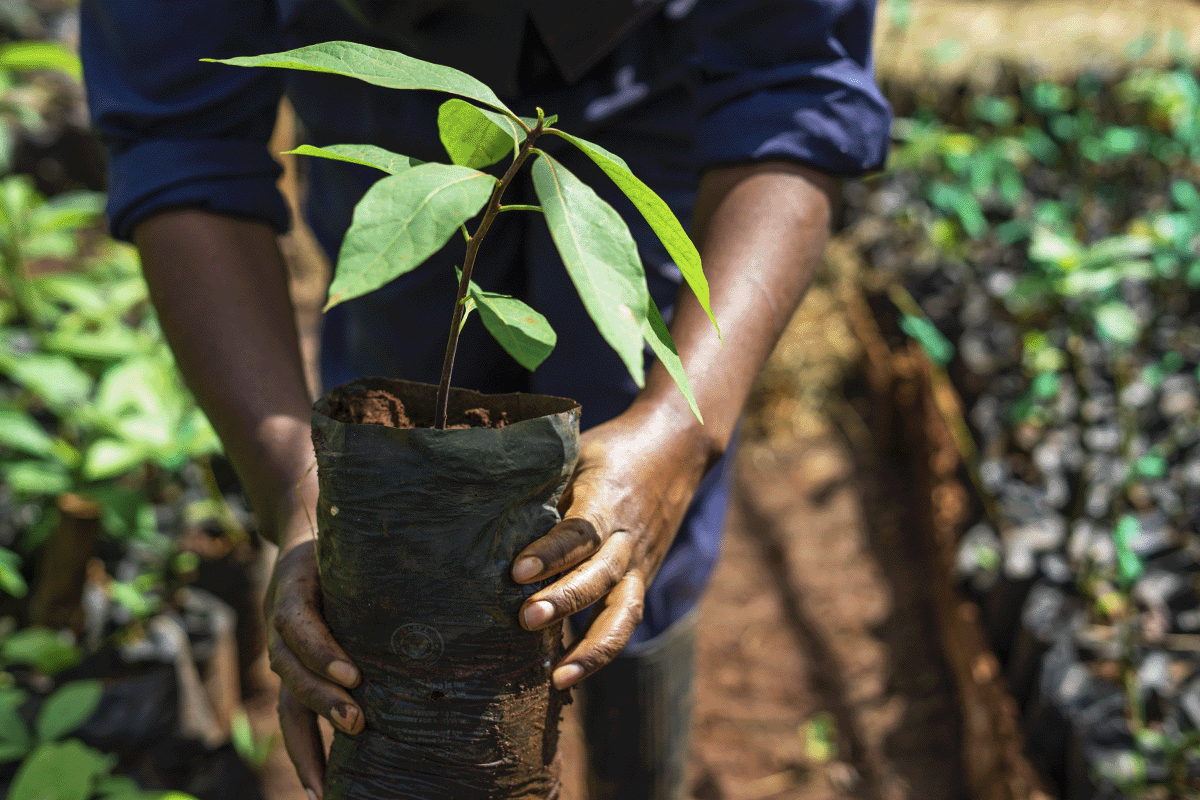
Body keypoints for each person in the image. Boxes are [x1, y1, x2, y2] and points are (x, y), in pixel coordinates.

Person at [79, 2, 890, 798]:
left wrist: (683, 425)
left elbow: (794, 82)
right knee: (399, 470)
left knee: (623, 521)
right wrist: (302, 495)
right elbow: (179, 132)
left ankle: (631, 764)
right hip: (392, 88)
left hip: (661, 69)